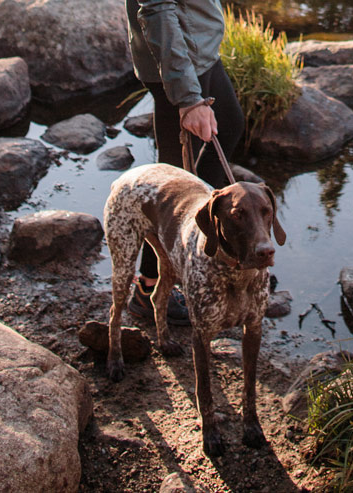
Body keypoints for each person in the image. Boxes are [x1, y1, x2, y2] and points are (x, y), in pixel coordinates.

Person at [125, 0, 245, 324]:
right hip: (179, 61)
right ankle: (148, 290)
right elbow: (156, 9)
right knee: (170, 185)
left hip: (197, 49)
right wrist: (189, 98)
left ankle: (199, 241)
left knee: (231, 125)